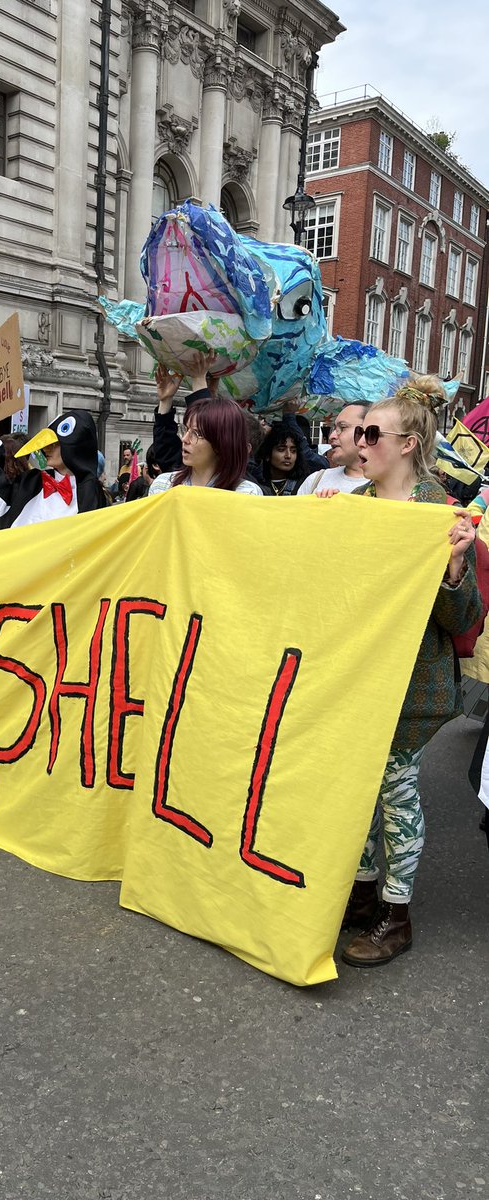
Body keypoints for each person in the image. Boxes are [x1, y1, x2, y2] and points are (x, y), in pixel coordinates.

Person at [327, 376, 482, 966]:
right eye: (356, 433)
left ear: (409, 443)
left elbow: (463, 617)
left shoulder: (438, 514)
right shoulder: (351, 508)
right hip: (356, 675)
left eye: (370, 433)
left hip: (412, 684)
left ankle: (397, 912)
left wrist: (453, 565)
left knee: (395, 790)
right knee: (360, 789)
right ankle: (364, 895)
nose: (357, 443)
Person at [0, 410, 108, 527]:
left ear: (75, 446)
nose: (46, 449)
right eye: (46, 444)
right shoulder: (32, 481)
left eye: (54, 444)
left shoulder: (92, 492)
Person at [148, 395, 263, 496]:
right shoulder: (163, 486)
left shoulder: (246, 493)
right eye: (186, 429)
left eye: (196, 434)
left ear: (222, 444)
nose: (185, 439)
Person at [296, 402, 372, 494]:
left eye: (343, 427)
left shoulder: (386, 487)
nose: (332, 436)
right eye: (334, 428)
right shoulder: (316, 480)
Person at [255, 422, 309, 496]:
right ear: (267, 454)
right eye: (281, 450)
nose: (288, 455)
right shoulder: (255, 485)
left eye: (293, 451)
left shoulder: (305, 484)